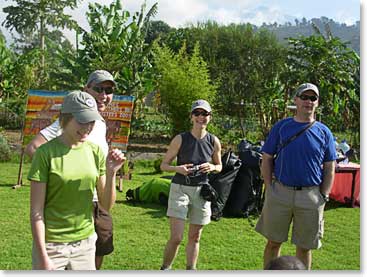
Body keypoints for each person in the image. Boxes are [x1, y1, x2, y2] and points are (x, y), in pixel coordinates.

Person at [25, 70, 117, 269]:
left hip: (86, 230)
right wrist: (57, 174)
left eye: (108, 90)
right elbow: (36, 212)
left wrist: (111, 172)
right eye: (99, 89)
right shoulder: (50, 147)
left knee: (101, 248)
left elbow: (107, 204)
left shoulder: (98, 130)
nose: (87, 127)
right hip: (54, 239)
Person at [255, 83, 337, 270]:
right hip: (280, 193)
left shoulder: (324, 132)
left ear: (317, 103)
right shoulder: (281, 127)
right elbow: (267, 158)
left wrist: (323, 194)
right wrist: (270, 188)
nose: (308, 102)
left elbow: (329, 166)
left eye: (312, 98)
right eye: (304, 97)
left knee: (305, 248)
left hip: (311, 196)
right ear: (296, 100)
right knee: (273, 243)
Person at [160, 99, 222, 270]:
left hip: (202, 190)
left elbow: (219, 166)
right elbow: (163, 165)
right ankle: (165, 268)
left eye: (205, 114)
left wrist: (212, 166)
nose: (201, 117)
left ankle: (191, 269)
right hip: (180, 188)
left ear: (210, 117)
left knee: (195, 237)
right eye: (197, 113)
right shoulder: (180, 139)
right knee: (177, 237)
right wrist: (178, 169)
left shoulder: (214, 141)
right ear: (191, 116)